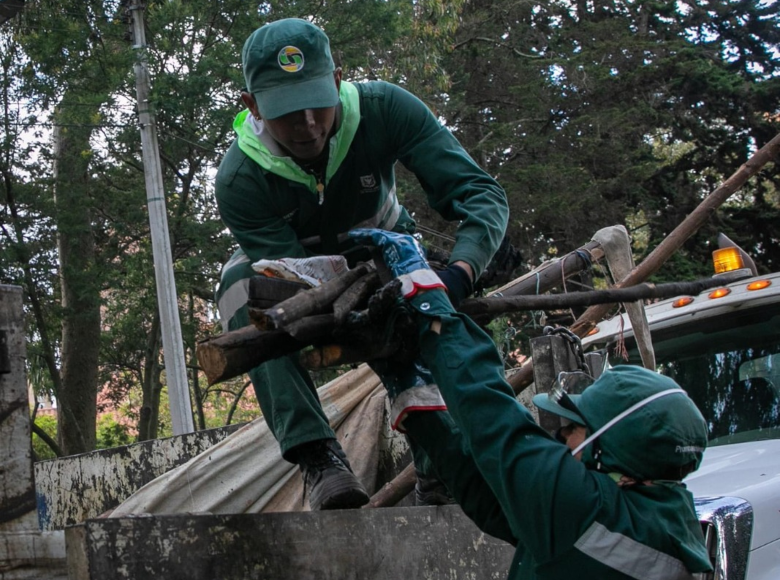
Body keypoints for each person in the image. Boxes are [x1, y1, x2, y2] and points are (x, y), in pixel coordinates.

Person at [214, 18, 509, 510]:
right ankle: (319, 457)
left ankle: (443, 468)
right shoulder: (240, 179)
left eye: (317, 102)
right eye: (288, 112)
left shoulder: (386, 109)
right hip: (304, 278)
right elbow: (292, 280)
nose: (308, 123)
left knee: (422, 316)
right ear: (253, 106)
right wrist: (353, 312)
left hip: (389, 256)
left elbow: (480, 194)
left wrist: (459, 272)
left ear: (337, 81)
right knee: (239, 285)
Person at [347, 228, 713, 580]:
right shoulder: (658, 514)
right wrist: (407, 387)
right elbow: (489, 496)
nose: (560, 436)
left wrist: (423, 290)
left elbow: (488, 410)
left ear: (611, 451)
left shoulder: (582, 509)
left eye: (574, 428)